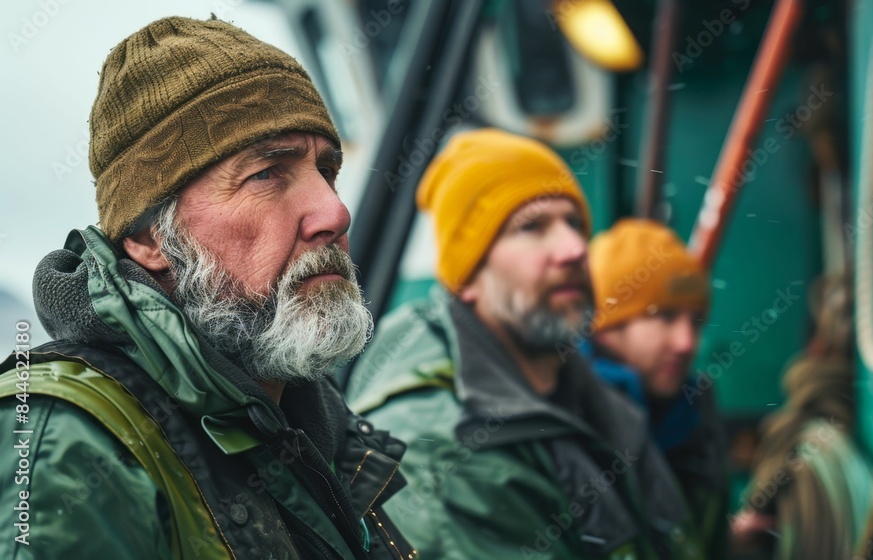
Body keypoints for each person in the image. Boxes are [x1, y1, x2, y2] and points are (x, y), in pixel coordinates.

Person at [0, 16, 415, 560]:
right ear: (151, 239)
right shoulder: (62, 442)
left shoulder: (320, 430)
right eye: (267, 173)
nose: (335, 212)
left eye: (328, 171)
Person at [346, 128, 704, 559]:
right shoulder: (443, 448)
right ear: (469, 278)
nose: (574, 248)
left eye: (574, 223)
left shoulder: (587, 399)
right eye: (531, 227)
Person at [587, 219, 729, 559]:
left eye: (695, 321)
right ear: (607, 328)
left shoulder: (692, 418)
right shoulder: (569, 420)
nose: (686, 343)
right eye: (664, 316)